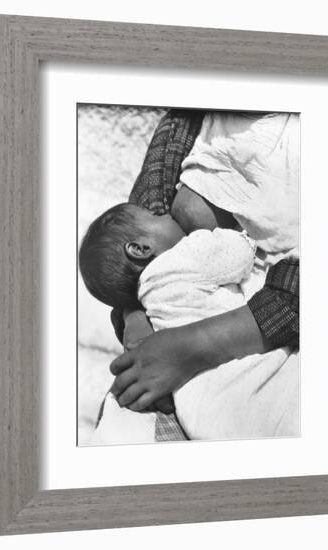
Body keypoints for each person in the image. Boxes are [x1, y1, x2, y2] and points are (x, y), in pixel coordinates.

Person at [108, 110, 299, 422]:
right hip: (176, 371)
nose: (165, 216)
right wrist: (135, 315)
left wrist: (192, 347)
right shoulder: (184, 122)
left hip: (276, 344)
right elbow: (135, 230)